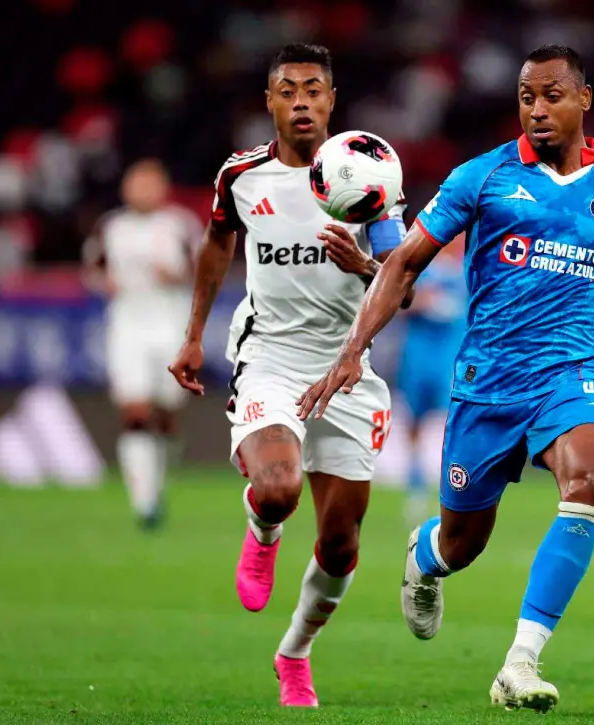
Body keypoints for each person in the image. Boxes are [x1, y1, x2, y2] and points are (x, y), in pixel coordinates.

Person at [297, 45, 594, 712]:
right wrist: (355, 348)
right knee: (463, 542)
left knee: (592, 474)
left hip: (574, 373)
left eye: (551, 94)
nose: (537, 109)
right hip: (488, 382)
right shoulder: (483, 177)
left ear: (584, 99)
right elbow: (406, 262)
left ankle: (520, 661)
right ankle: (427, 557)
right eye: (526, 97)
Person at [167, 43, 411, 707]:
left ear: (332, 101)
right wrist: (192, 336)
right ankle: (264, 525)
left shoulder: (369, 172)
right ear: (270, 101)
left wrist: (363, 265)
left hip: (348, 366)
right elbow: (219, 244)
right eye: (287, 90)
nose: (301, 100)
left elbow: (400, 281)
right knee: (278, 487)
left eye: (313, 89)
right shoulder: (241, 175)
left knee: (340, 540)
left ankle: (294, 652)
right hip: (269, 355)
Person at [83, 158, 201, 530]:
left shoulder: (180, 226)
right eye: (137, 183)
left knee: (165, 412)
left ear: (163, 188)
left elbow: (204, 269)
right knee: (134, 412)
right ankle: (144, 501)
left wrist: (179, 275)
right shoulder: (111, 228)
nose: (143, 191)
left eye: (150, 184)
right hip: (127, 328)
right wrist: (106, 284)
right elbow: (93, 270)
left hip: (171, 328)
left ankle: (159, 479)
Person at [395, 240, 467, 526]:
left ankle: (454, 490)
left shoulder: (466, 272)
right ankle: (416, 490)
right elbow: (399, 303)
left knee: (454, 424)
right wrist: (423, 301)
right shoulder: (421, 270)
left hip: (450, 362)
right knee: (414, 423)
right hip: (416, 360)